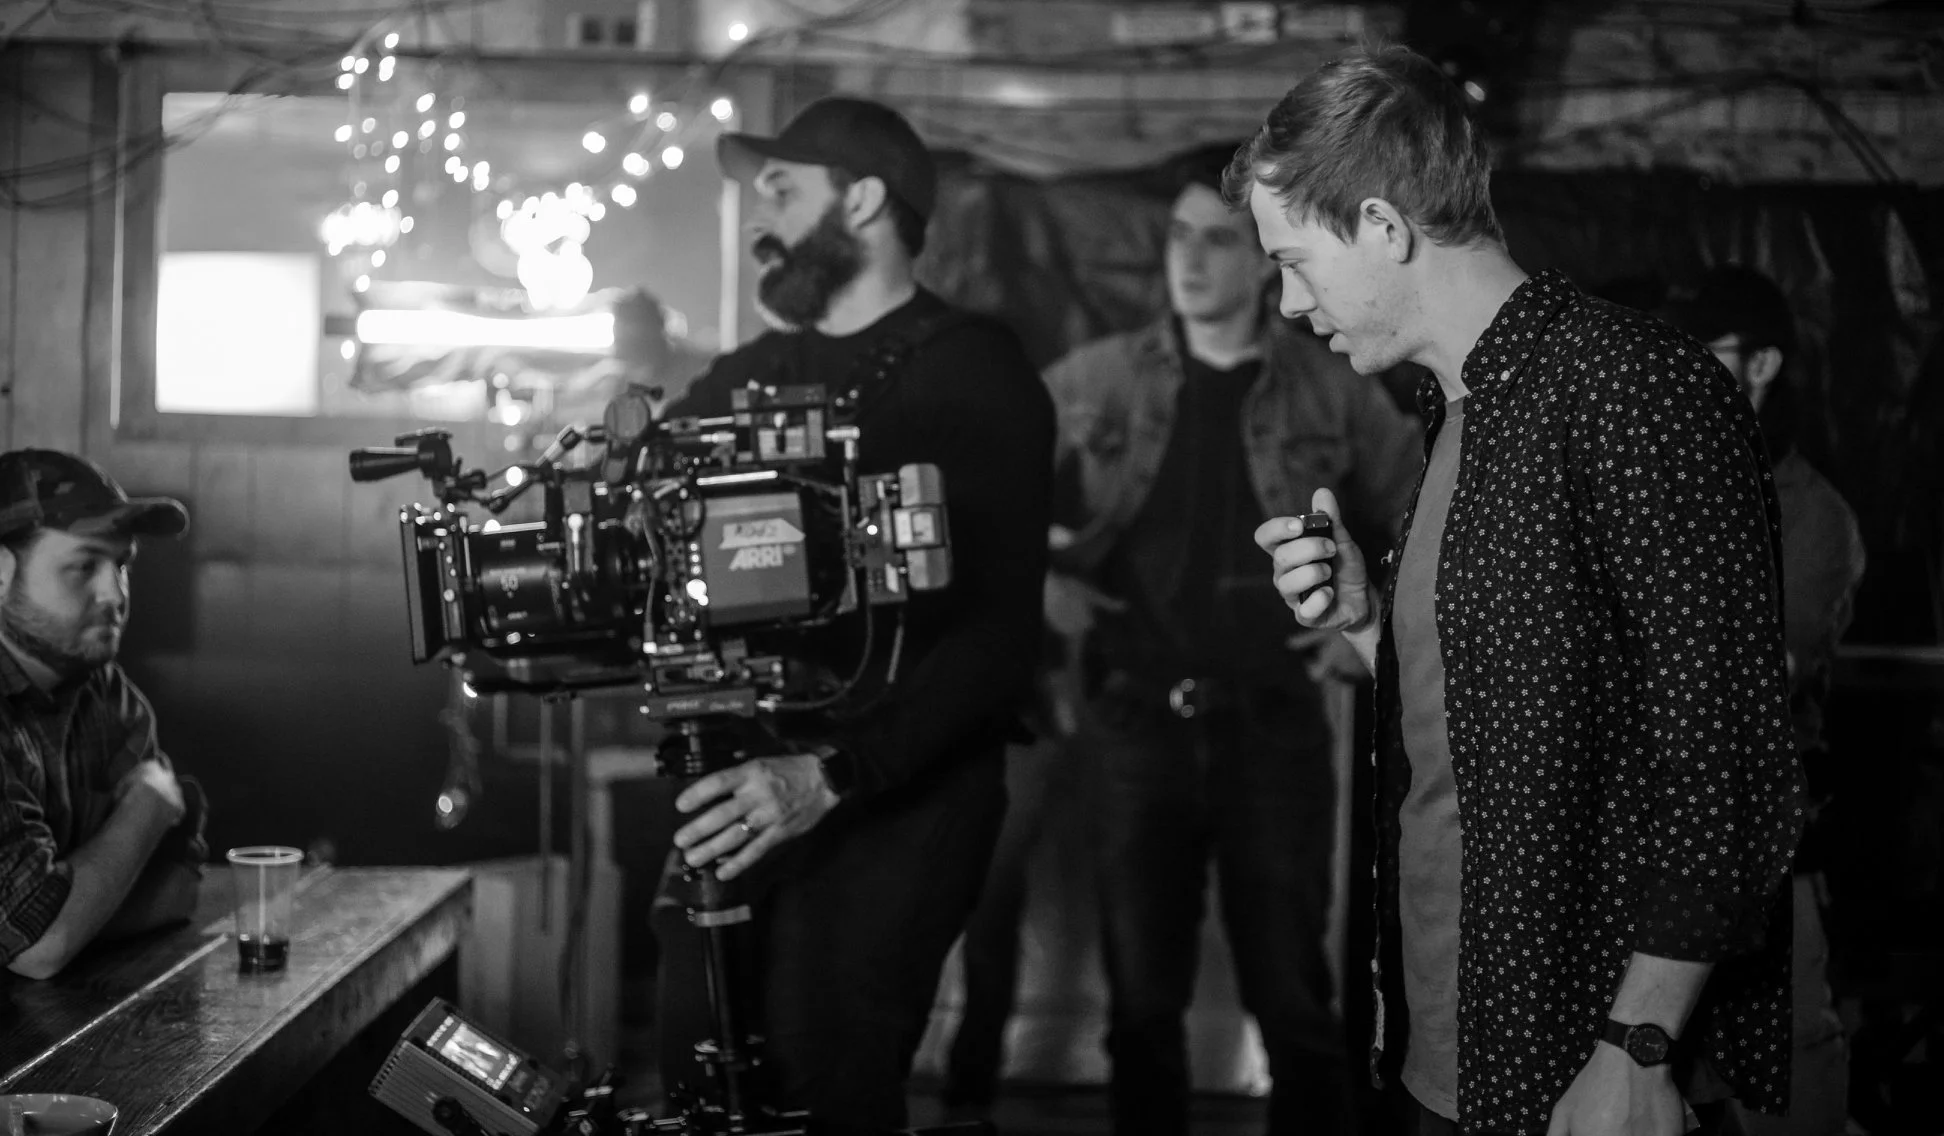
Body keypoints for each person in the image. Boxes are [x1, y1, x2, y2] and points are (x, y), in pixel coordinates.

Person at [1235, 47, 1802, 1136]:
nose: (1292, 305)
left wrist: (1639, 1047)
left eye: (1296, 263)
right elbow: (1498, 717)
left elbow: (1729, 760)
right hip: (1453, 1046)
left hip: (1584, 1055)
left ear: (1383, 226)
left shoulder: (1633, 387)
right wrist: (1365, 619)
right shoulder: (1461, 410)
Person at [650, 97, 1055, 1132]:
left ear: (865, 200)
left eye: (782, 190)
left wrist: (829, 773)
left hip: (899, 801)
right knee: (700, 1069)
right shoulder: (750, 377)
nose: (760, 219)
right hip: (745, 784)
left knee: (824, 1083)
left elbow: (1000, 642)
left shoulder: (973, 370)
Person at [1028, 145, 1419, 1135]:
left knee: (1294, 1001)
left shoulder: (1326, 387)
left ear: (1261, 259)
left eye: (1215, 240)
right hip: (1135, 723)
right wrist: (1046, 582)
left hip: (1275, 726)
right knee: (1140, 1006)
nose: (1190, 259)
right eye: (1177, 237)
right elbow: (989, 486)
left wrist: (1363, 625)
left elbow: (1431, 508)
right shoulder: (1100, 378)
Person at [1673, 265, 1866, 1136]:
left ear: (1762, 365)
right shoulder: (1662, 489)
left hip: (1766, 851)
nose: (1678, 370)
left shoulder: (1813, 518)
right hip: (1656, 851)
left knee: (1785, 1095)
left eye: (1703, 351)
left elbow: (1754, 683)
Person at [0, 449, 206, 981]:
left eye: (121, 565)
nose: (114, 593)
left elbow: (180, 888)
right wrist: (150, 802)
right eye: (84, 565)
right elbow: (43, 945)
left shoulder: (105, 693)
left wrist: (74, 912)